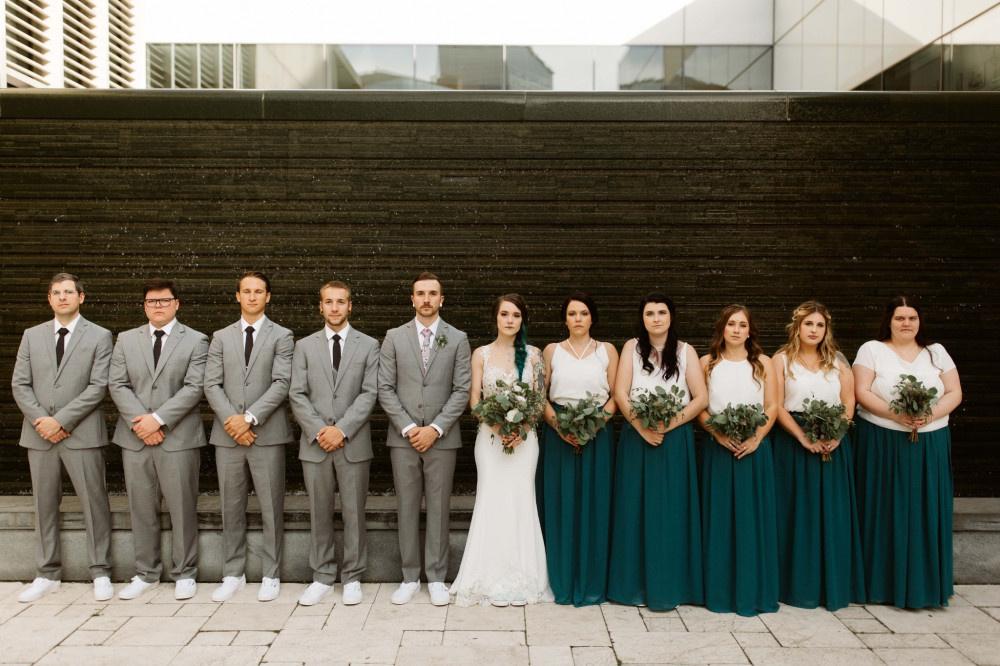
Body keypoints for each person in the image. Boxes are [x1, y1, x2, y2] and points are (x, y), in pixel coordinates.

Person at [853, 295, 962, 608]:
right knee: (885, 509)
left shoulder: (936, 353)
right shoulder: (871, 350)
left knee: (926, 509)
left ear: (919, 321)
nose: (906, 323)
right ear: (889, 320)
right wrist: (896, 414)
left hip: (930, 441)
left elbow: (955, 391)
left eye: (911, 318)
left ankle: (927, 586)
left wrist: (930, 414)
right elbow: (861, 392)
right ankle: (881, 585)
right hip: (883, 442)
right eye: (900, 318)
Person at [12, 273, 115, 603]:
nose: (62, 297)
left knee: (93, 502)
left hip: (81, 433)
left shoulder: (100, 336)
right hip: (39, 433)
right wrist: (42, 420)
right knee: (44, 506)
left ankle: (100, 570)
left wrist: (62, 420)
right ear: (49, 298)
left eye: (69, 292)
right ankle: (46, 573)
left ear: (81, 297)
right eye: (56, 292)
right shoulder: (32, 335)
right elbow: (20, 384)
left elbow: (99, 386)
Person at [109, 278, 208, 601]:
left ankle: (185, 572)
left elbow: (194, 387)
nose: (158, 306)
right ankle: (146, 572)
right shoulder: (125, 339)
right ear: (144, 306)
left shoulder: (196, 340)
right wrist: (141, 422)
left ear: (177, 304)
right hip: (135, 436)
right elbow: (117, 384)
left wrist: (158, 419)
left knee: (182, 506)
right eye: (152, 302)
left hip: (177, 437)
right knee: (141, 507)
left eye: (164, 301)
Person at [451, 294, 552, 606]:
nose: (510, 320)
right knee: (491, 500)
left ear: (523, 320)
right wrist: (499, 426)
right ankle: (486, 574)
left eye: (516, 315)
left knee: (521, 500)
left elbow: (538, 399)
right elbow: (475, 400)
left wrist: (521, 429)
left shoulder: (534, 355)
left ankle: (525, 576)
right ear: (495, 318)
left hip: (525, 442)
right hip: (491, 439)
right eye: (505, 314)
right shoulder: (480, 354)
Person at [607, 293, 707, 610]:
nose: (656, 318)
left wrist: (669, 424)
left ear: (671, 317)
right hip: (637, 438)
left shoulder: (686, 351)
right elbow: (621, 393)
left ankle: (672, 585)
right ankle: (632, 586)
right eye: (650, 313)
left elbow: (700, 397)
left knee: (671, 510)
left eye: (662, 312)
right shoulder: (631, 348)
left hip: (674, 439)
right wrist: (641, 426)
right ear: (643, 318)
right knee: (633, 508)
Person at [378, 272, 471, 606]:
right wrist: (407, 426)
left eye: (433, 293)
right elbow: (384, 387)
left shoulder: (457, 338)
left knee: (439, 507)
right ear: (412, 299)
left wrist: (435, 428)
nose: (427, 299)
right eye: (421, 293)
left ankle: (436, 576)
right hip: (403, 438)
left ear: (441, 299)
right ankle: (409, 576)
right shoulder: (393, 337)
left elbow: (462, 389)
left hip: (442, 438)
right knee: (406, 506)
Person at [204, 271, 294, 603]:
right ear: (237, 296)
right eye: (247, 291)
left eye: (259, 291)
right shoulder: (220, 336)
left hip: (266, 434)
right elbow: (210, 383)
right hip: (228, 436)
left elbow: (281, 383)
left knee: (271, 506)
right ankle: (233, 573)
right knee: (231, 506)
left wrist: (250, 419)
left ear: (268, 297)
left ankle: (271, 573)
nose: (253, 296)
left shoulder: (283, 336)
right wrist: (232, 420)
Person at [290, 280, 379, 606]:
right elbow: (296, 393)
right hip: (315, 445)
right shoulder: (304, 346)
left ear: (350, 305)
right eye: (329, 302)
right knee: (319, 512)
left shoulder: (369, 345)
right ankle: (322, 575)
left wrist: (341, 430)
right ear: (320, 306)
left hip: (352, 443)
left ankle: (353, 575)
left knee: (354, 512)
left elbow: (370, 392)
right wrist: (319, 430)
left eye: (341, 301)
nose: (335, 307)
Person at [772, 301, 865, 610]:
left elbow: (848, 401)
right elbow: (776, 405)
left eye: (819, 325)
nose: (814, 330)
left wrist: (837, 435)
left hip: (833, 442)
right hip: (793, 441)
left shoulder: (838, 361)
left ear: (826, 330)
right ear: (797, 327)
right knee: (796, 512)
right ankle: (798, 587)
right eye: (808, 324)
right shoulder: (781, 361)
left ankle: (833, 586)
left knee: (831, 513)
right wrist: (802, 437)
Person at [697, 304, 779, 616]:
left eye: (742, 325)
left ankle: (753, 590)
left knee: (751, 519)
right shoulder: (707, 363)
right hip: (719, 448)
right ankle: (719, 591)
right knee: (719, 519)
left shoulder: (763, 363)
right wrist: (717, 434)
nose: (736, 330)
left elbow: (772, 404)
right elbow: (701, 406)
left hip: (754, 449)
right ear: (722, 328)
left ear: (749, 330)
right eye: (731, 324)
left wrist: (757, 437)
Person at [538, 291, 618, 606]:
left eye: (583, 313)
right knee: (561, 503)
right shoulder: (552, 350)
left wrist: (594, 424)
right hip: (559, 435)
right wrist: (560, 426)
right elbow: (540, 395)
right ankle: (561, 579)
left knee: (595, 505)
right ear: (565, 319)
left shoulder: (607, 350)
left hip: (597, 434)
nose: (578, 319)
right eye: (572, 314)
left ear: (592, 318)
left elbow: (616, 395)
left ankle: (592, 579)